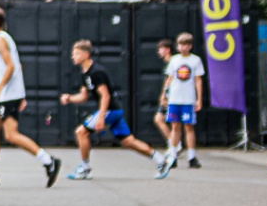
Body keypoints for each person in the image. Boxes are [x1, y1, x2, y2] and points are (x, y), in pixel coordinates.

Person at [0, 6, 58, 189]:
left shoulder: (0, 39)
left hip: (7, 95)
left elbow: (11, 67)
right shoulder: (5, 38)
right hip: (11, 94)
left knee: (11, 135)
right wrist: (20, 93)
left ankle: (48, 161)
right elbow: (19, 66)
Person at [59, 39, 154, 177]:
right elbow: (83, 96)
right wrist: (69, 98)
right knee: (128, 141)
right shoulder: (85, 73)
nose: (73, 56)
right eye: (73, 54)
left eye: (76, 53)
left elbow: (105, 96)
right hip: (114, 111)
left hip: (110, 110)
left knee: (81, 132)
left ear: (86, 54)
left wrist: (101, 117)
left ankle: (84, 168)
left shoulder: (96, 72)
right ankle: (161, 160)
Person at [155, 33, 205, 179]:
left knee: (189, 127)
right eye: (181, 45)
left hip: (188, 99)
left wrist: (199, 99)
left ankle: (192, 157)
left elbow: (198, 80)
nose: (183, 47)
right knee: (175, 127)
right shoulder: (174, 60)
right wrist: (164, 95)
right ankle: (173, 155)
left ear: (190, 46)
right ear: (177, 46)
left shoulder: (195, 60)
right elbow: (169, 79)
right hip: (174, 99)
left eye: (186, 45)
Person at [150, 38, 175, 149]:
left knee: (162, 119)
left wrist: (164, 95)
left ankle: (174, 144)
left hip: (172, 96)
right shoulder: (168, 63)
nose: (158, 51)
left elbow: (169, 81)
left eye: (161, 49)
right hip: (168, 96)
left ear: (168, 50)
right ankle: (173, 143)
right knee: (159, 119)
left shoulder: (173, 62)